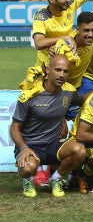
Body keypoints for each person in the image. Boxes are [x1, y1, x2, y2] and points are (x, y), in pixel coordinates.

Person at [11, 55, 85, 197]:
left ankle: (56, 179)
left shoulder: (68, 91)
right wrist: (23, 148)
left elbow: (83, 100)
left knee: (79, 151)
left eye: (65, 71)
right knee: (28, 168)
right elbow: (14, 127)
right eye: (58, 70)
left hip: (53, 145)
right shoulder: (30, 94)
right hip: (31, 146)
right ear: (48, 70)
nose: (62, 75)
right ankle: (28, 179)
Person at [31, 0, 93, 68]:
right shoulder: (41, 16)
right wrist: (64, 39)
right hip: (47, 67)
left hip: (67, 64)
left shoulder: (70, 3)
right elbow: (39, 43)